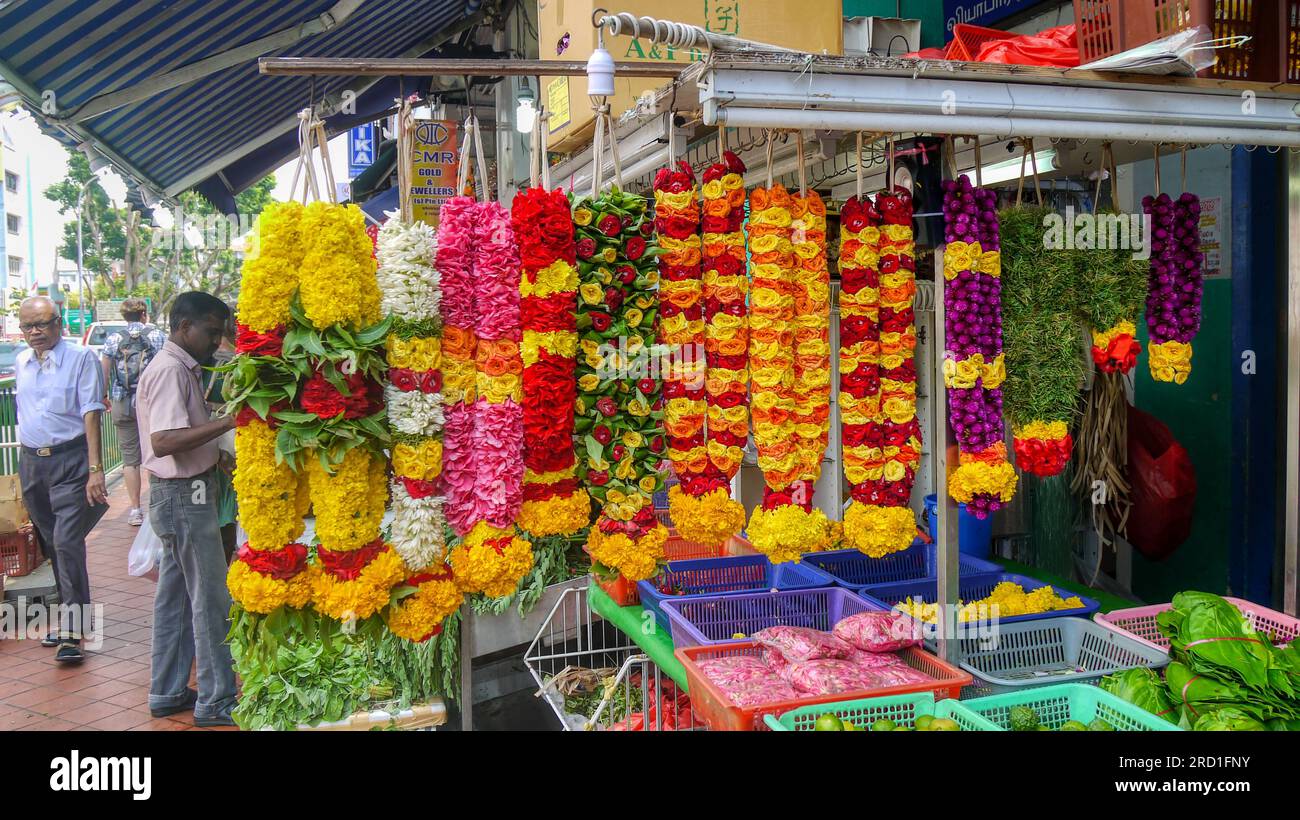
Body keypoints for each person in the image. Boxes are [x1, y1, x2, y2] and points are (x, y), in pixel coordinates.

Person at [135, 291, 237, 726]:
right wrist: (232, 420)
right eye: (211, 332)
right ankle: (216, 699)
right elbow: (165, 440)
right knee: (210, 599)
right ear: (183, 327)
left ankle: (168, 690)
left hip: (180, 494)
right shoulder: (171, 370)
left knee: (176, 598)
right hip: (184, 495)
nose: (217, 342)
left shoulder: (181, 368)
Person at [14, 296, 109, 663]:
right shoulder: (21, 362)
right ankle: (79, 617)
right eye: (28, 326)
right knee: (53, 543)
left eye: (41, 324)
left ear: (59, 324)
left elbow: (91, 411)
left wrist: (96, 468)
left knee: (68, 540)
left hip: (70, 460)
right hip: (31, 462)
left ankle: (71, 632)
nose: (34, 332)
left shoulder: (80, 358)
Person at [100, 297, 166, 527]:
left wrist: (104, 397)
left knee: (130, 459)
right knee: (154, 453)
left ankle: (135, 510)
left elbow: (105, 372)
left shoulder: (114, 339)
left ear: (124, 316)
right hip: (150, 402)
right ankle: (156, 505)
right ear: (144, 314)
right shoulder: (157, 336)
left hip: (122, 401)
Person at [201, 313, 238, 563]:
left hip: (203, 437)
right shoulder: (239, 361)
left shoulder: (203, 361)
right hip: (231, 438)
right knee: (229, 503)